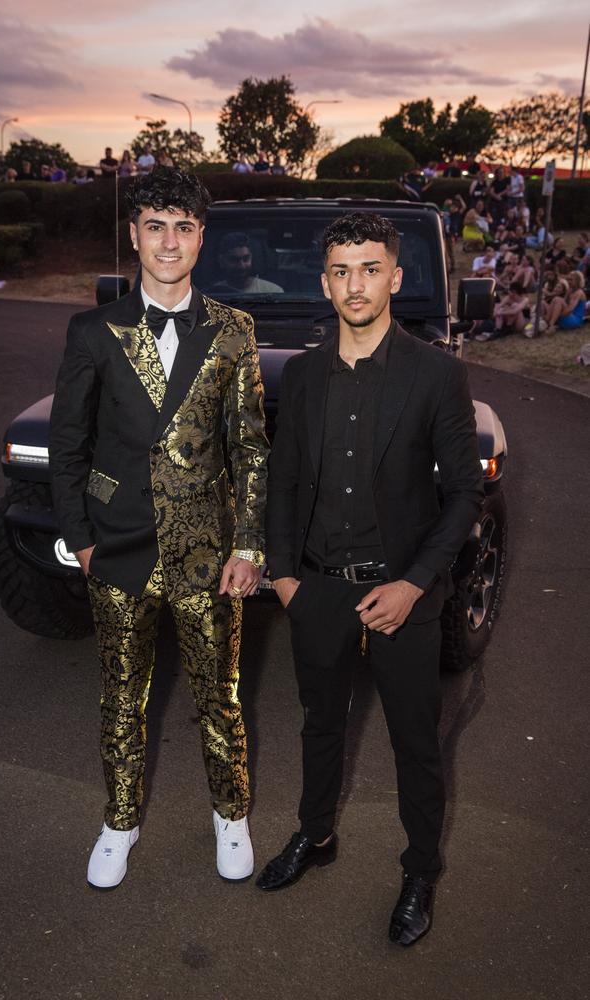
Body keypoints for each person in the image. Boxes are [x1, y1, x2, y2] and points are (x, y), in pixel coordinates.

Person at [256, 211, 484, 948]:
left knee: (415, 742)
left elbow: (462, 498)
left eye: (370, 268)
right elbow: (284, 484)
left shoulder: (438, 374)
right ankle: (315, 836)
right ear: (325, 283)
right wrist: (286, 579)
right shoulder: (302, 373)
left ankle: (419, 869)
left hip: (402, 595)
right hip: (316, 590)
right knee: (320, 726)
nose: (356, 284)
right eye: (341, 270)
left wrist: (415, 585)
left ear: (396, 275)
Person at [48, 166, 269, 891]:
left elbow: (250, 447)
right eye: (155, 226)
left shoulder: (235, 329)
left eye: (183, 226)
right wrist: (80, 535)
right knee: (121, 696)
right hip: (117, 543)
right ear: (134, 235)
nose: (169, 241)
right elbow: (68, 447)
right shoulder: (94, 330)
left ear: (202, 237)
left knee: (220, 695)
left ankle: (230, 814)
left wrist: (249, 542)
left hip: (209, 549)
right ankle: (119, 820)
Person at [213, 232, 283, 293]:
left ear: (251, 258)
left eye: (246, 259)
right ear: (221, 261)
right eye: (234, 260)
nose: (241, 266)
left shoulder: (273, 291)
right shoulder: (213, 294)